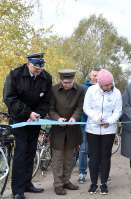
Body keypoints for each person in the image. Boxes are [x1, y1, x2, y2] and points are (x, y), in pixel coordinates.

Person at [3, 53, 52, 199]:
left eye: (41, 66)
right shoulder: (15, 75)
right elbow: (9, 98)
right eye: (36, 66)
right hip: (19, 120)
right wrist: (28, 113)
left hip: (35, 120)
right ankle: (17, 190)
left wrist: (38, 114)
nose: (39, 69)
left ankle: (27, 184)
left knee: (31, 152)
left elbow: (47, 101)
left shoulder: (46, 77)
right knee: (21, 153)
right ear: (28, 63)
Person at [83, 69, 122, 195]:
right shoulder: (91, 90)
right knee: (93, 157)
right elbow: (86, 107)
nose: (109, 87)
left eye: (110, 84)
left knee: (106, 157)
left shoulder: (116, 92)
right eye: (106, 85)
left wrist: (109, 121)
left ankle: (104, 183)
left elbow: (118, 111)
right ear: (99, 83)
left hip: (108, 130)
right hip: (92, 128)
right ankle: (93, 183)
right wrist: (96, 117)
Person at [49, 69, 85, 195]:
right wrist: (57, 118)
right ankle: (58, 184)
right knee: (57, 158)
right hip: (58, 129)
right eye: (65, 83)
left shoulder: (80, 90)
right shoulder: (53, 90)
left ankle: (66, 181)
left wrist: (74, 118)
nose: (67, 85)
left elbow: (80, 107)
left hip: (72, 129)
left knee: (69, 158)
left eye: (69, 83)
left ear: (73, 80)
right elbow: (50, 108)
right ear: (60, 80)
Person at [78, 68, 99, 184]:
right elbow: (80, 105)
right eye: (94, 75)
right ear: (90, 76)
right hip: (85, 123)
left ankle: (100, 172)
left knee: (98, 149)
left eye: (98, 75)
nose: (96, 77)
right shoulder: (83, 88)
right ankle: (82, 172)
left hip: (100, 124)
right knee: (84, 149)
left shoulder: (104, 87)